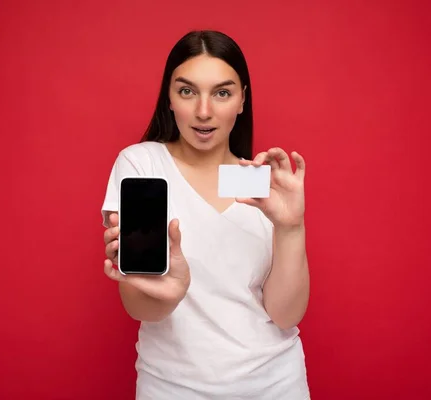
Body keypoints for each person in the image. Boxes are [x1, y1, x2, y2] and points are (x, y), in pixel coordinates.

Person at [101, 30, 311, 399]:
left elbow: (285, 315)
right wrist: (171, 293)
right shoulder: (142, 165)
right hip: (173, 387)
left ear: (242, 99)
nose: (203, 111)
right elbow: (139, 307)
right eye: (187, 91)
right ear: (169, 97)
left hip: (275, 384)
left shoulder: (262, 184)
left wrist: (291, 228)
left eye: (222, 92)